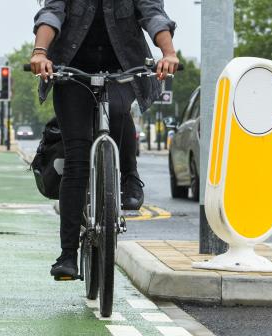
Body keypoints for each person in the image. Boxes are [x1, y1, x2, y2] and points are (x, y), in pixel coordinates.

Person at [30, 0, 179, 278]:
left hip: (121, 70)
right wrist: (41, 52)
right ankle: (67, 256)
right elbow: (51, 12)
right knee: (77, 160)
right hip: (71, 72)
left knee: (120, 110)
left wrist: (168, 52)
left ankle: (130, 177)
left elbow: (153, 14)